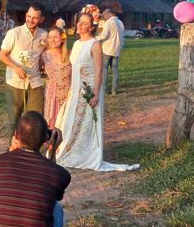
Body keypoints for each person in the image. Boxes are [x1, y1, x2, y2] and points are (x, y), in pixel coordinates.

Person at [55, 13, 139, 171]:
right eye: (79, 22)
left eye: (85, 23)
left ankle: (85, 154)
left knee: (85, 123)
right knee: (70, 121)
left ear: (91, 27)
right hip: (75, 89)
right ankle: (70, 148)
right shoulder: (77, 43)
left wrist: (94, 92)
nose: (80, 25)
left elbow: (99, 70)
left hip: (88, 88)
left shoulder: (94, 45)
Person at [0, 3, 47, 134]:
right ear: (26, 15)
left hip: (35, 82)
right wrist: (16, 68)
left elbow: (45, 55)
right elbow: (2, 55)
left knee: (35, 121)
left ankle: (32, 147)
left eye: (35, 18)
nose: (31, 20)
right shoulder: (14, 33)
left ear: (41, 19)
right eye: (29, 16)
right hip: (15, 82)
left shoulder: (44, 35)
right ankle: (14, 146)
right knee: (14, 121)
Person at [41, 27, 71, 127]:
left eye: (55, 37)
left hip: (67, 93)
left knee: (65, 122)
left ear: (62, 38)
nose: (52, 40)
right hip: (52, 94)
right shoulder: (44, 55)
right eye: (50, 37)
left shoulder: (69, 54)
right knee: (52, 123)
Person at [96, 8, 125, 95]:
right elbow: (122, 36)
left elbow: (104, 36)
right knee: (115, 69)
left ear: (108, 14)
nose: (104, 17)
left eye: (104, 15)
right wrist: (120, 46)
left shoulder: (109, 22)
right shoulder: (120, 22)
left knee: (104, 69)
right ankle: (114, 90)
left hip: (107, 49)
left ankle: (104, 90)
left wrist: (95, 38)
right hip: (117, 49)